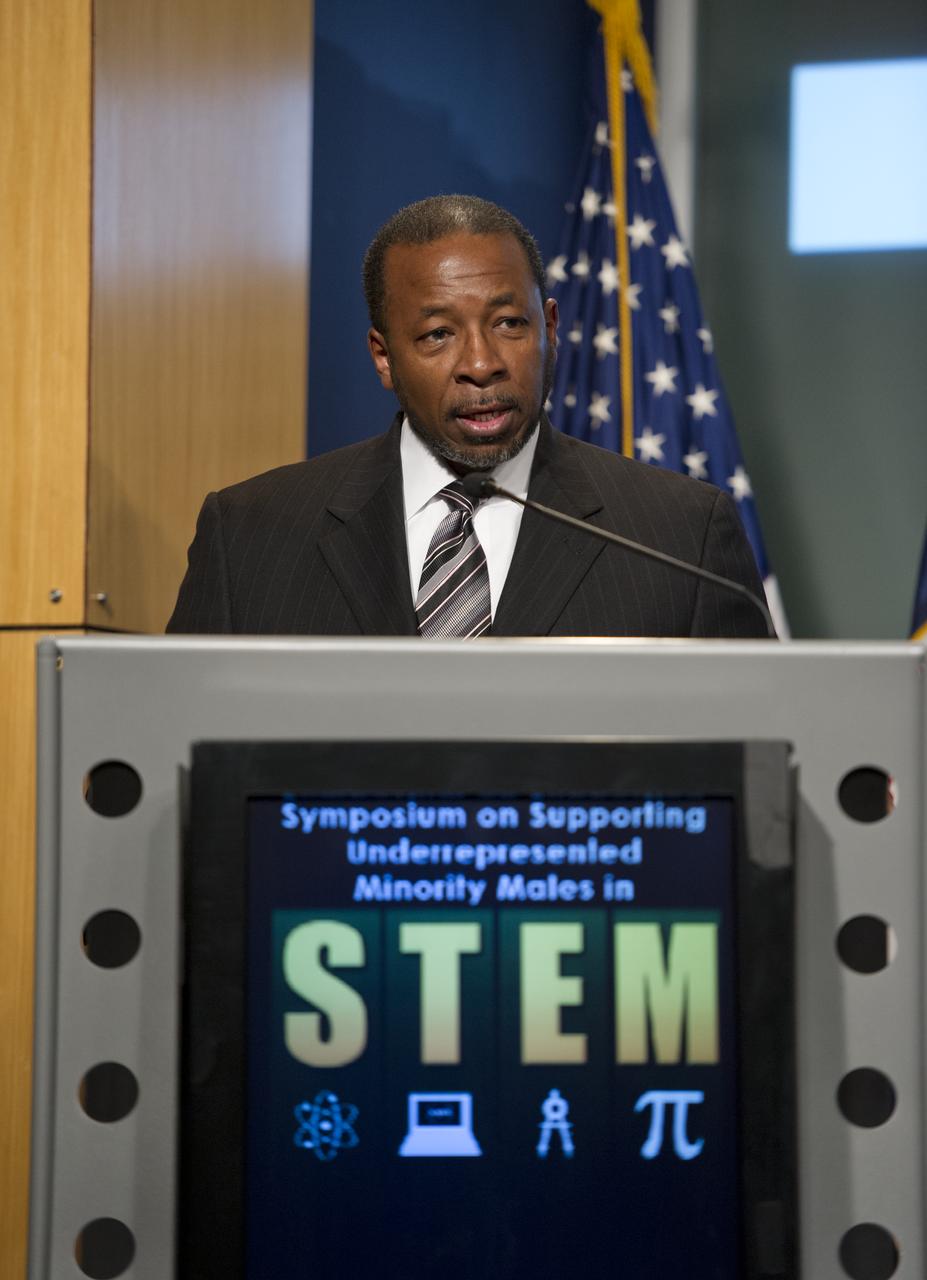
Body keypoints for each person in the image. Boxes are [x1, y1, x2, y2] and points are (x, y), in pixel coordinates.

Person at [167, 194, 768, 638]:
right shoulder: (250, 537)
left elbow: (758, 773)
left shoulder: (681, 537)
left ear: (550, 330)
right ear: (384, 357)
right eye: (436, 335)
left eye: (510, 324)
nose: (481, 364)